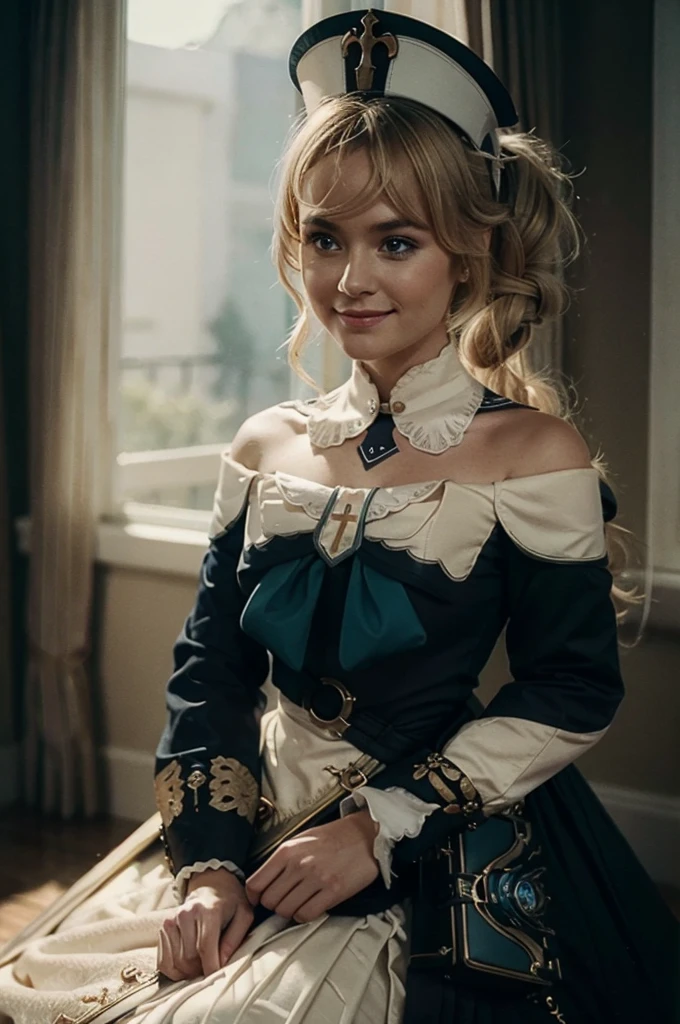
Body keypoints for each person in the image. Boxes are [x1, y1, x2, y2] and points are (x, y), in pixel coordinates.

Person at [0, 8, 678, 1024]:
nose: (349, 280)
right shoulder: (263, 444)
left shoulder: (534, 453)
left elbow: (570, 686)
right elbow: (210, 673)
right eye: (323, 238)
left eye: (394, 241)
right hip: (245, 821)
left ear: (467, 253)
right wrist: (208, 870)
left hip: (427, 825)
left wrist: (376, 828)